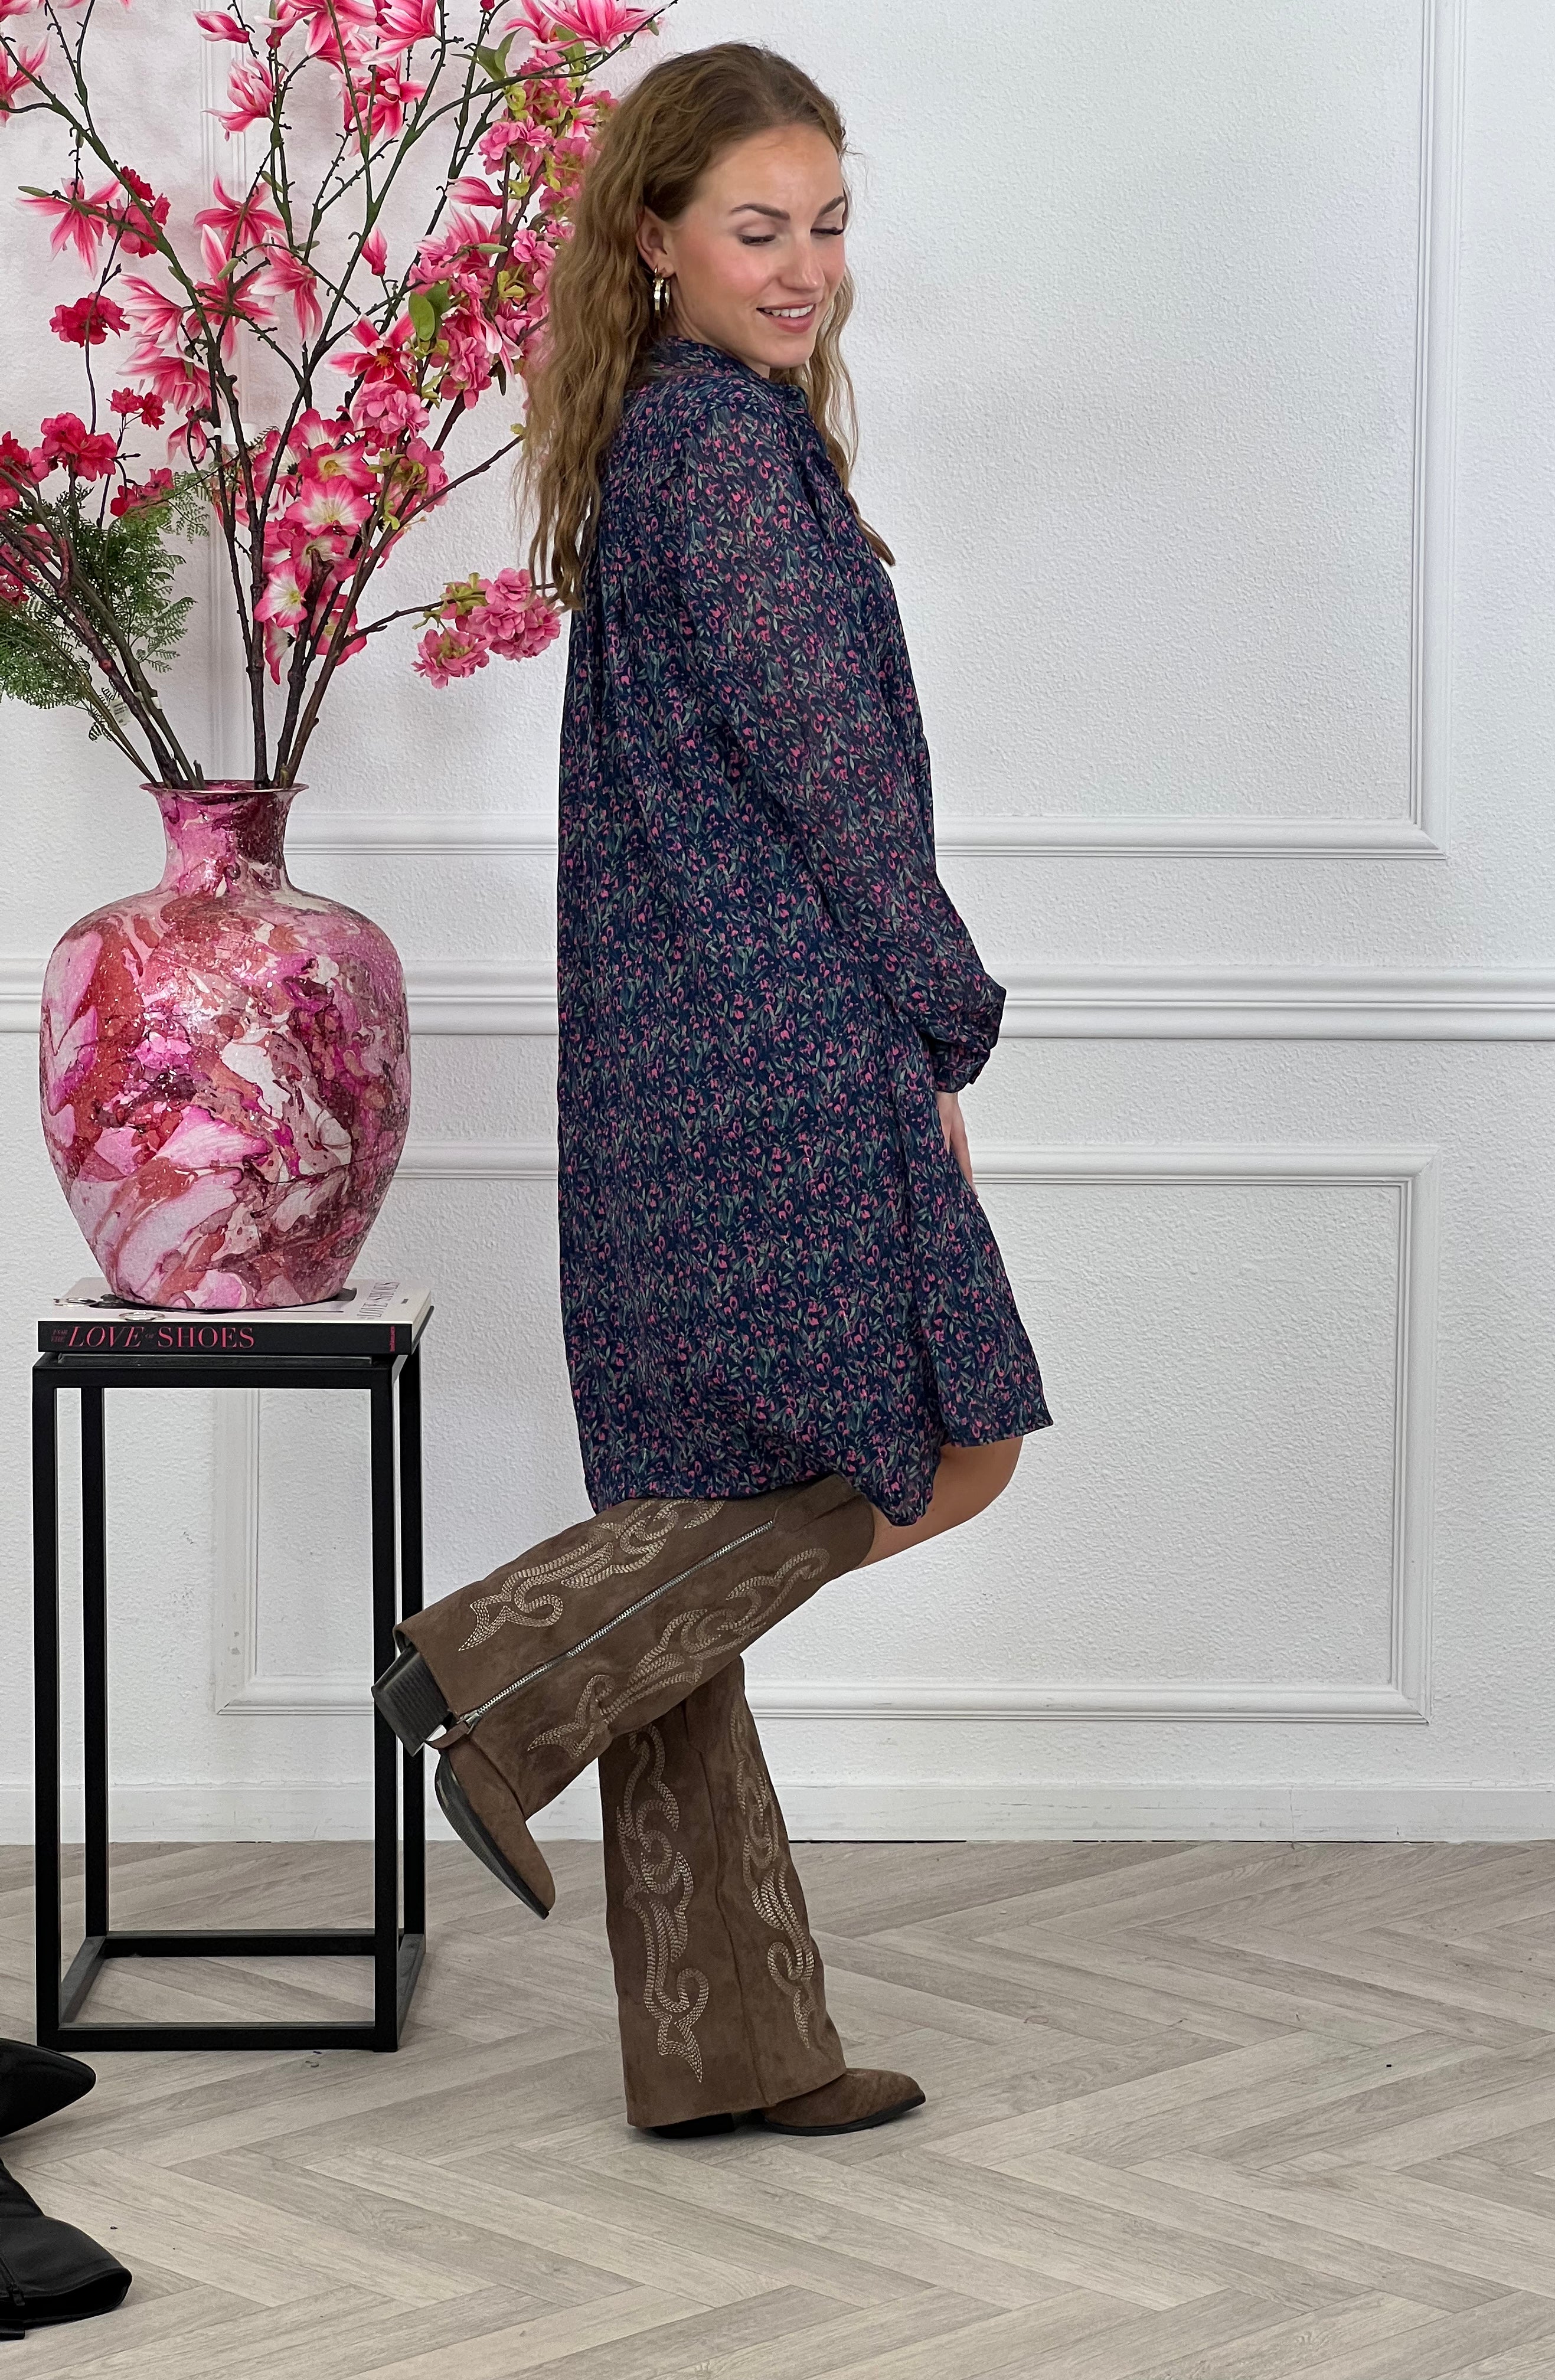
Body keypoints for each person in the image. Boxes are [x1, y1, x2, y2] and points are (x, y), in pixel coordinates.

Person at [372, 40, 1051, 2141]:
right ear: (657, 239)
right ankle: (500, 1674)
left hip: (672, 1053)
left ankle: (726, 2046)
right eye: (760, 229)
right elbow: (837, 790)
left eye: (829, 226)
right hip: (774, 1044)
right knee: (940, 1449)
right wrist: (941, 1021)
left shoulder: (672, 444)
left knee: (686, 1511)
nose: (805, 267)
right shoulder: (725, 461)